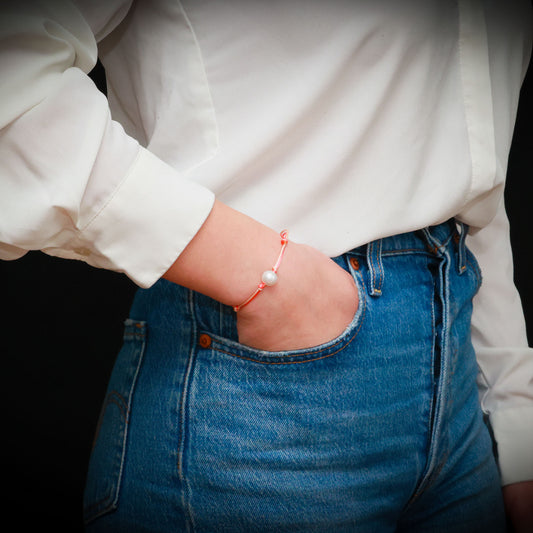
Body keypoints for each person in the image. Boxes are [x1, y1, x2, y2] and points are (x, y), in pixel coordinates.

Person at [1, 0, 532, 531]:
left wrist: (517, 414)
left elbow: (470, 173)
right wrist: (261, 272)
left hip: (462, 390)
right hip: (259, 391)